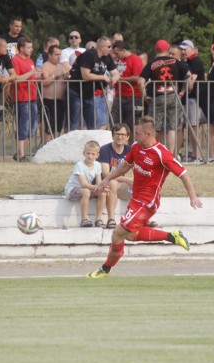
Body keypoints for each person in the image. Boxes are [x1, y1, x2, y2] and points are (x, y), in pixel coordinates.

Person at [86, 116, 202, 278]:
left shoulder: (161, 154)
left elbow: (183, 174)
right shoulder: (135, 147)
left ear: (148, 134)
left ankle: (105, 269)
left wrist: (193, 196)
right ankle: (172, 236)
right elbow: (125, 166)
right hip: (135, 199)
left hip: (148, 202)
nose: (135, 135)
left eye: (138, 133)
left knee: (118, 233)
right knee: (131, 235)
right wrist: (107, 178)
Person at [139, 39, 191, 157]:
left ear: (155, 50)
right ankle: (170, 155)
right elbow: (188, 76)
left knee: (154, 127)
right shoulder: (176, 62)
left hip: (158, 96)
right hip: (173, 96)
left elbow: (141, 80)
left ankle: (153, 153)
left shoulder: (151, 64)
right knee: (172, 127)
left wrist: (144, 94)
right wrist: (183, 91)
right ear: (167, 49)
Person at [68, 36, 118, 131]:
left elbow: (115, 73)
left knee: (93, 125)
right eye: (109, 46)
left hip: (89, 94)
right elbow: (85, 75)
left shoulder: (107, 57)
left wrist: (113, 80)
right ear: (102, 47)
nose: (110, 49)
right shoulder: (89, 55)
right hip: (75, 92)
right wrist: (103, 77)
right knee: (73, 123)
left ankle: (93, 145)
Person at [64, 140, 108, 228]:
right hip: (73, 190)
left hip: (85, 190)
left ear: (97, 155)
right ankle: (84, 219)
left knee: (103, 193)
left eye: (93, 154)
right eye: (88, 153)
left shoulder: (98, 165)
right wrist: (97, 187)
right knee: (86, 191)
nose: (90, 156)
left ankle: (98, 219)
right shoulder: (79, 165)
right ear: (83, 153)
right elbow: (83, 184)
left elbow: (99, 182)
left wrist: (103, 188)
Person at [98, 123, 132, 229]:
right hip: (107, 184)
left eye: (122, 134)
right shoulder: (105, 149)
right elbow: (106, 174)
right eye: (117, 134)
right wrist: (126, 179)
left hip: (121, 185)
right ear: (112, 136)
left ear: (127, 137)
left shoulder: (130, 150)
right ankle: (111, 219)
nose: (119, 137)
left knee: (142, 186)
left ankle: (143, 218)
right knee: (112, 182)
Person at [11, 36, 39, 161]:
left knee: (32, 126)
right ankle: (21, 154)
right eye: (28, 47)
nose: (31, 49)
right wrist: (31, 74)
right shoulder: (16, 60)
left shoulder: (30, 61)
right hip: (21, 97)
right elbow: (16, 78)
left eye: (31, 47)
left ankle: (19, 152)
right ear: (21, 48)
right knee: (23, 125)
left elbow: (32, 77)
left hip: (32, 96)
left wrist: (39, 75)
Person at [179, 39, 206, 162]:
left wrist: (185, 89)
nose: (183, 51)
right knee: (188, 127)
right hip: (187, 99)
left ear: (192, 49)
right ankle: (193, 154)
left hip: (193, 98)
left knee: (193, 127)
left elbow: (191, 83)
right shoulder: (186, 62)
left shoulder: (196, 62)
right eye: (182, 49)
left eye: (185, 49)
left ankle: (198, 155)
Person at [110, 41, 143, 137]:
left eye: (117, 53)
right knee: (114, 121)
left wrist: (121, 79)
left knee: (131, 124)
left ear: (123, 50)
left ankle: (132, 145)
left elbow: (137, 77)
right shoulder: (119, 60)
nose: (116, 56)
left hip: (132, 96)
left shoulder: (135, 59)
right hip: (119, 95)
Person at [40, 44, 67, 143]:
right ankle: (46, 148)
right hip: (49, 101)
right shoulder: (45, 66)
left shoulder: (61, 66)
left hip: (60, 100)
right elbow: (44, 82)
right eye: (56, 54)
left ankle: (54, 147)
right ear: (50, 55)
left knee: (58, 127)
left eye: (60, 54)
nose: (58, 57)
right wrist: (55, 74)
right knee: (49, 126)